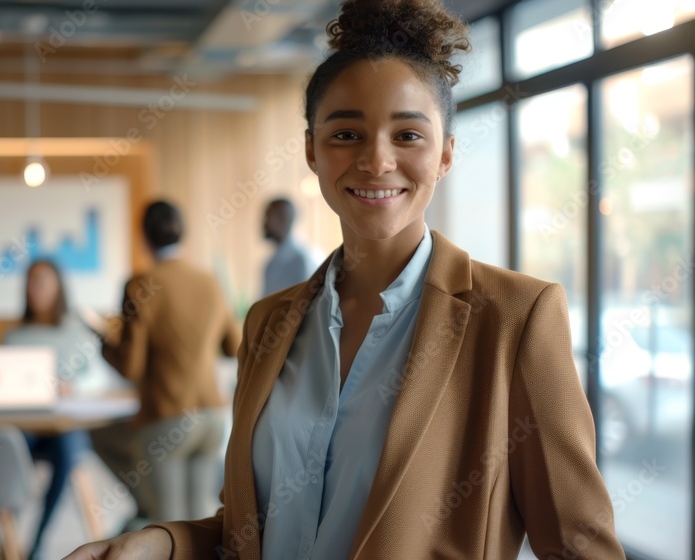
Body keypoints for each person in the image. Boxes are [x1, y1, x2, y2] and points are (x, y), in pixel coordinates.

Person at [64, 0, 626, 558]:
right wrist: (161, 542)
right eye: (346, 135)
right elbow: (248, 532)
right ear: (311, 149)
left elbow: (581, 546)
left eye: (408, 135)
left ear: (447, 154)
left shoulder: (514, 319)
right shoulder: (268, 322)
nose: (376, 161)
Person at [90, 200, 241, 528]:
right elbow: (234, 347)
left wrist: (103, 341)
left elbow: (131, 368)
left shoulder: (141, 285)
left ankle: (142, 511)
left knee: (166, 524)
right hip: (213, 418)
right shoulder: (209, 281)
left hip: (167, 415)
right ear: (183, 234)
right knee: (201, 522)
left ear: (144, 237)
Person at [3, 259, 94, 560]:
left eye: (43, 281)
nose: (36, 289)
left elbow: (96, 377)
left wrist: (73, 387)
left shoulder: (75, 331)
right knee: (7, 450)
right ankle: (9, 536)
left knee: (68, 453)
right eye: (31, 281)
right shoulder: (13, 336)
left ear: (58, 287)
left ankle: (38, 540)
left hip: (63, 427)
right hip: (24, 426)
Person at [262, 198, 312, 296]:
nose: (264, 223)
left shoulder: (302, 260)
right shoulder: (271, 264)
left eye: (267, 216)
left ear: (282, 219)